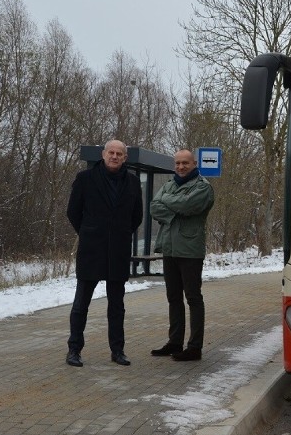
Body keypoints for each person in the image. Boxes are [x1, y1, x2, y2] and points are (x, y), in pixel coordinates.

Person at [65, 139, 143, 367]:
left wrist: (119, 233)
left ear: (125, 158)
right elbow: (73, 211)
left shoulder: (132, 182)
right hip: (91, 249)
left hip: (118, 251)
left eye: (120, 153)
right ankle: (74, 350)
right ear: (103, 154)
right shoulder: (85, 179)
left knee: (117, 305)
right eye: (111, 152)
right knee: (81, 303)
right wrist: (89, 232)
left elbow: (136, 216)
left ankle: (117, 350)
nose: (115, 156)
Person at [149, 149, 215, 362]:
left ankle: (194, 347)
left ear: (194, 163)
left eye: (185, 163)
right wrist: (175, 208)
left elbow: (187, 206)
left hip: (190, 250)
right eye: (177, 163)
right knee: (173, 297)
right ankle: (174, 342)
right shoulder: (170, 184)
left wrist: (169, 203)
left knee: (193, 298)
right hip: (169, 248)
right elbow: (153, 208)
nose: (180, 167)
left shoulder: (203, 187)